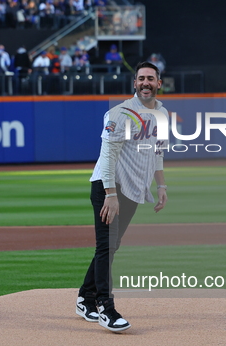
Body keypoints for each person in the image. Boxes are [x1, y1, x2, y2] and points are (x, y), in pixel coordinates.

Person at [76, 61, 168, 332]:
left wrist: (161, 186)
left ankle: (85, 297)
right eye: (141, 78)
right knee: (105, 246)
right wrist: (110, 194)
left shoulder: (161, 114)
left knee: (112, 246)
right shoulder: (120, 113)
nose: (145, 83)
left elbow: (158, 153)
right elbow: (107, 157)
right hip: (108, 189)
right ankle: (106, 306)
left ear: (159, 83)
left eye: (150, 78)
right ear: (135, 83)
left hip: (131, 191)